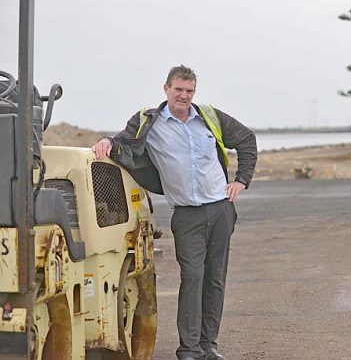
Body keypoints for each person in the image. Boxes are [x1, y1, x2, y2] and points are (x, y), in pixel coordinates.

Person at [92, 65, 257, 360]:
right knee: (192, 277)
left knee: (215, 279)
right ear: (166, 88)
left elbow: (246, 139)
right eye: (178, 89)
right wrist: (107, 141)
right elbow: (123, 140)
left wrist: (241, 180)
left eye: (189, 90)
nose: (184, 95)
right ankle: (189, 349)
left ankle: (209, 345)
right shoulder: (149, 122)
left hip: (221, 209)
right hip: (187, 215)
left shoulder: (210, 117)